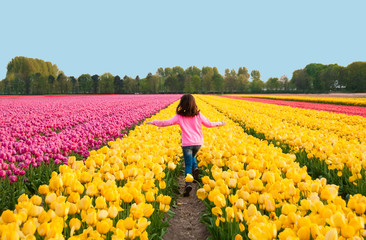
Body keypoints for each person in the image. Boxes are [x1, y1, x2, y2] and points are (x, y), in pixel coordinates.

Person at [145, 94, 226, 197]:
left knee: (188, 164)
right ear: (194, 104)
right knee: (192, 157)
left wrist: (153, 122)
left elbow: (166, 123)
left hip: (187, 144)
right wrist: (220, 123)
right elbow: (209, 124)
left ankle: (188, 184)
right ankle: (195, 168)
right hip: (198, 143)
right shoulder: (198, 115)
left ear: (182, 104)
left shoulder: (179, 117)